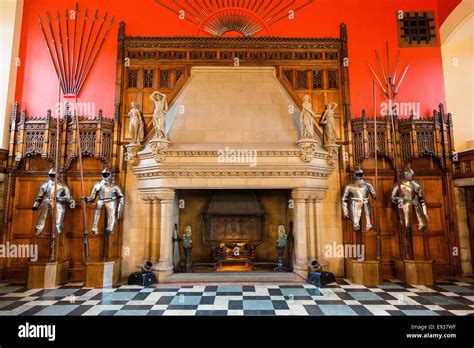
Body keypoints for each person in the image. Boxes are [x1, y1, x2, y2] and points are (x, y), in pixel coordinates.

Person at [32, 169, 75, 235]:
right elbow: (39, 196)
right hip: (47, 202)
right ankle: (38, 229)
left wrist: (59, 199)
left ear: (57, 175)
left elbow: (68, 198)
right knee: (41, 219)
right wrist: (35, 205)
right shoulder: (46, 185)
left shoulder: (63, 185)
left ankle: (58, 231)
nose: (52, 176)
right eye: (50, 175)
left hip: (58, 203)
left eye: (53, 175)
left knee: (58, 223)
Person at [84, 168, 124, 234]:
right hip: (101, 201)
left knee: (111, 215)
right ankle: (94, 228)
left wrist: (120, 209)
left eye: (107, 174)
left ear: (110, 175)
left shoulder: (115, 186)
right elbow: (92, 197)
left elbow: (121, 196)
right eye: (104, 174)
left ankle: (110, 228)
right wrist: (86, 199)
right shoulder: (98, 185)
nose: (105, 176)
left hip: (111, 200)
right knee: (96, 214)